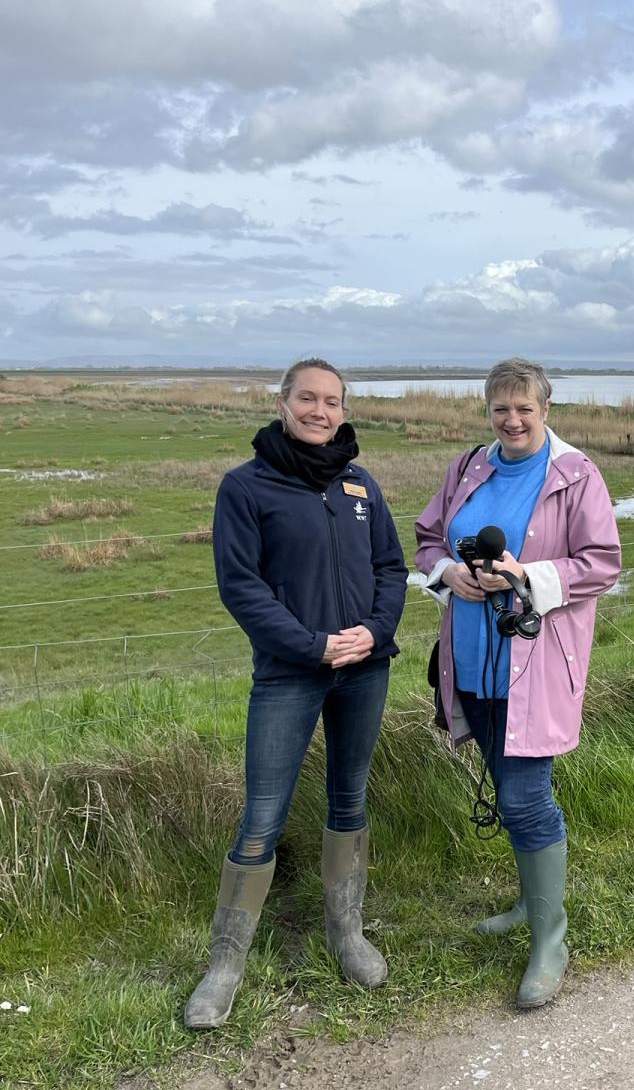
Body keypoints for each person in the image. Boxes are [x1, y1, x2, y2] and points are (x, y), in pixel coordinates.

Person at [184, 357, 407, 1030]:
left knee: (350, 797)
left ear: (343, 409)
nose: (320, 410)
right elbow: (241, 587)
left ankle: (348, 935)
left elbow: (391, 568)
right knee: (262, 815)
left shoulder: (359, 483)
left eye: (332, 401)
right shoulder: (247, 487)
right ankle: (225, 966)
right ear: (282, 402)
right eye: (307, 398)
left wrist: (371, 632)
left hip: (365, 667)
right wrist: (313, 645)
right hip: (289, 673)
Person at [414, 357, 621, 1010]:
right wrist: (451, 574)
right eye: (500, 408)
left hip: (533, 666)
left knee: (528, 799)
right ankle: (529, 905)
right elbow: (425, 540)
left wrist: (524, 576)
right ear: (488, 412)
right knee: (509, 790)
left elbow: (602, 563)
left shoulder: (575, 475)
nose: (512, 420)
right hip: (472, 663)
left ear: (546, 409)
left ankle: (549, 943)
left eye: (524, 408)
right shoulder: (468, 467)